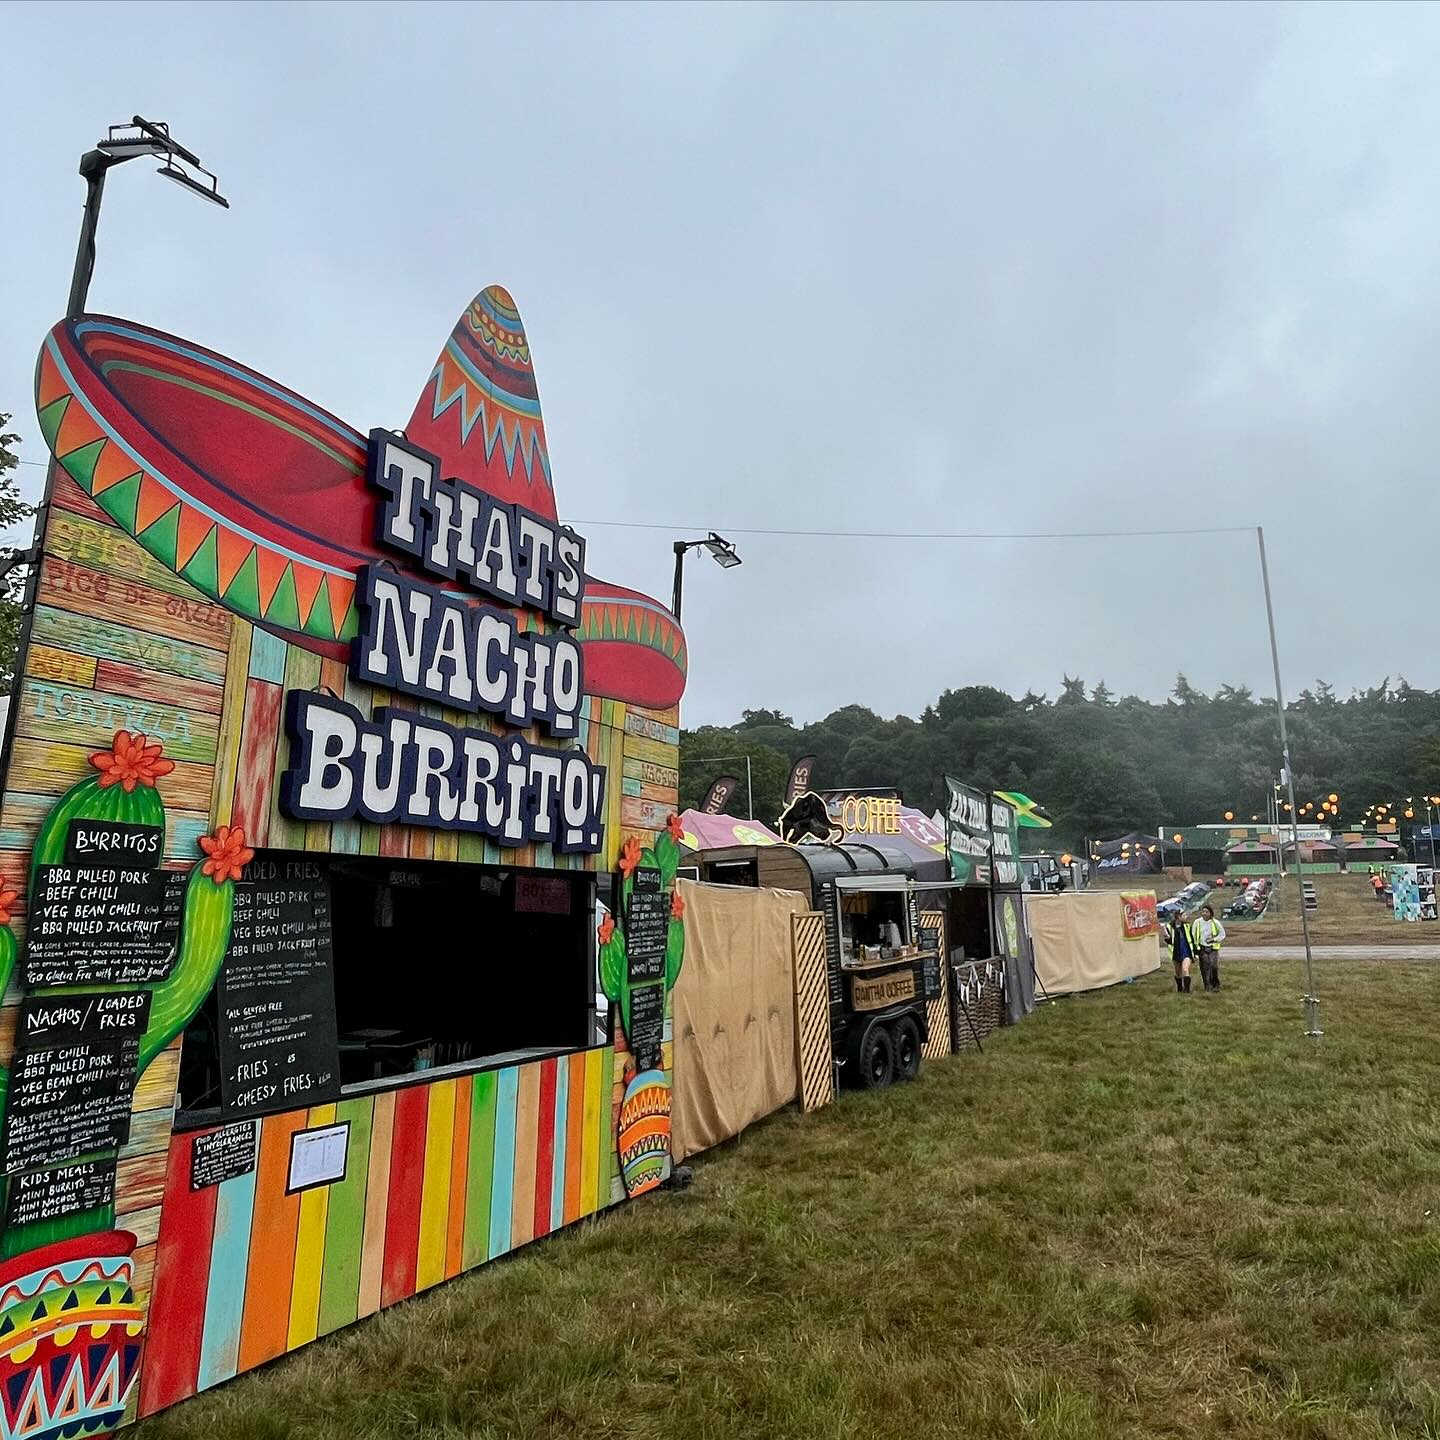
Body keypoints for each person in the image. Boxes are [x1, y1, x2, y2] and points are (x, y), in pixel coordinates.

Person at [1163, 912, 1197, 993]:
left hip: (1186, 952)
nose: (1186, 916)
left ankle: (1187, 990)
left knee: (1185, 969)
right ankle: (1179, 988)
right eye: (1184, 915)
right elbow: (1169, 941)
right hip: (1176, 953)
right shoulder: (1169, 926)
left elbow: (1192, 939)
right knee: (1178, 973)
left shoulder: (1187, 926)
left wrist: (1195, 953)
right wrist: (1165, 934)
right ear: (1178, 916)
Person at [1194, 904, 1226, 990]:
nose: (1204, 913)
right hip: (1202, 948)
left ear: (1211, 913)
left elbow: (1222, 934)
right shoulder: (1197, 922)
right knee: (1205, 967)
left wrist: (1214, 939)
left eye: (1206, 912)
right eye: (1203, 911)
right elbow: (1193, 935)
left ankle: (1215, 984)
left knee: (1213, 966)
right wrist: (1195, 950)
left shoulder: (1215, 923)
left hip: (1213, 948)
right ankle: (1207, 985)